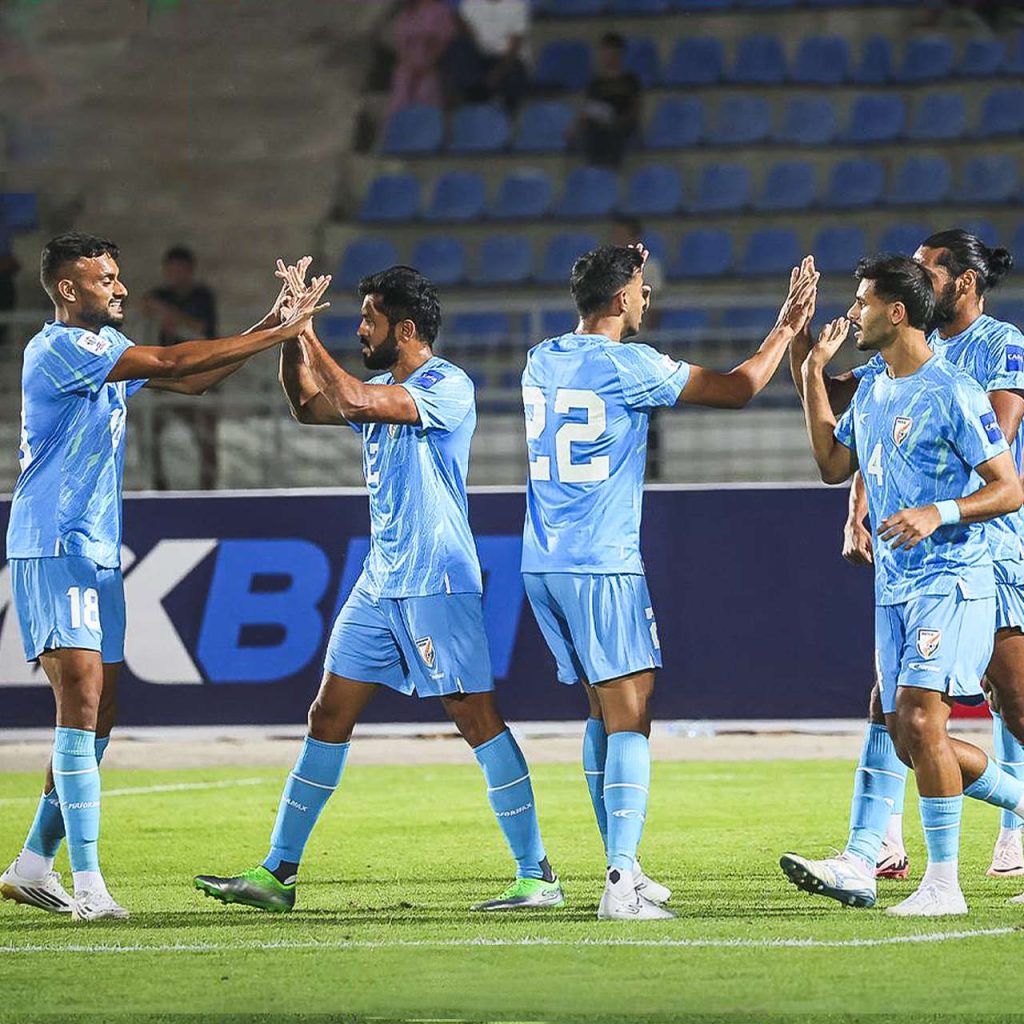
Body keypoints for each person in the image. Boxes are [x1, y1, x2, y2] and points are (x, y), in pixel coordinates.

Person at [194, 263, 563, 914]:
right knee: (327, 714)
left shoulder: (447, 386)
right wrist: (288, 335)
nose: (361, 329)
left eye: (369, 319)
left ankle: (538, 876)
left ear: (407, 328)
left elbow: (357, 402)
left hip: (436, 578)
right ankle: (278, 872)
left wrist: (307, 334)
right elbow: (309, 406)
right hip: (381, 578)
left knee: (475, 719)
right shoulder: (375, 385)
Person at [0, 233, 329, 922]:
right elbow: (179, 356)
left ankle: (32, 864)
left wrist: (276, 320)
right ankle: (88, 885)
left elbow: (193, 376)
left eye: (119, 277)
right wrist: (281, 333)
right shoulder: (59, 348)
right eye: (107, 279)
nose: (120, 288)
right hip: (53, 543)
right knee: (82, 703)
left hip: (96, 548)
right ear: (69, 289)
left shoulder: (104, 355)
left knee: (103, 713)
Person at [521, 244, 818, 919]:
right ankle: (620, 885)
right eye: (641, 286)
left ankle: (622, 865)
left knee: (603, 709)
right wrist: (788, 324)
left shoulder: (542, 358)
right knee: (632, 714)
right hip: (602, 563)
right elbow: (739, 388)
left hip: (543, 561)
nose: (648, 296)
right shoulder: (632, 365)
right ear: (622, 296)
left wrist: (620, 263)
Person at [783, 254, 1024, 917]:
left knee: (923, 721)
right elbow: (835, 465)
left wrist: (937, 512)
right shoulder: (875, 390)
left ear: (895, 313)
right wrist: (807, 373)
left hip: (954, 578)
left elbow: (1009, 489)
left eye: (861, 302)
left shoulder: (952, 390)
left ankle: (943, 887)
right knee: (909, 738)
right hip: (895, 586)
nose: (852, 313)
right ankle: (1019, 799)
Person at [142, 245, 219, 489]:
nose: (176, 275)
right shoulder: (161, 294)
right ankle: (158, 487)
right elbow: (145, 304)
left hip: (201, 373)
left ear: (190, 270)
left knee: (206, 434)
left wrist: (172, 317)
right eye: (171, 270)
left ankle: (209, 490)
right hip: (168, 376)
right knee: (150, 429)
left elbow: (200, 329)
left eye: (180, 270)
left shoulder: (202, 297)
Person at [570, 33, 641, 168]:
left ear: (620, 53)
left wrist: (618, 122)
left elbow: (635, 109)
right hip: (598, 128)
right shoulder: (595, 82)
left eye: (611, 51)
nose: (607, 55)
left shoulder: (630, 80)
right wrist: (574, 127)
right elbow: (587, 109)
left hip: (621, 127)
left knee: (614, 137)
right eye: (604, 51)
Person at [450, 0, 529, 113]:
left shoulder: (517, 5)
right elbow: (466, 36)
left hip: (508, 59)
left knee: (514, 74)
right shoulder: (469, 4)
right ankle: (473, 97)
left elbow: (515, 46)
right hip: (481, 55)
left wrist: (496, 74)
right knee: (458, 46)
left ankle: (507, 114)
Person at [388, 0, 456, 115]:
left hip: (430, 69)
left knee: (426, 102)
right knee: (400, 105)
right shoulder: (407, 11)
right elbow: (399, 41)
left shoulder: (442, 11)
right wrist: (407, 62)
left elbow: (444, 41)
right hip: (406, 69)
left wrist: (429, 62)